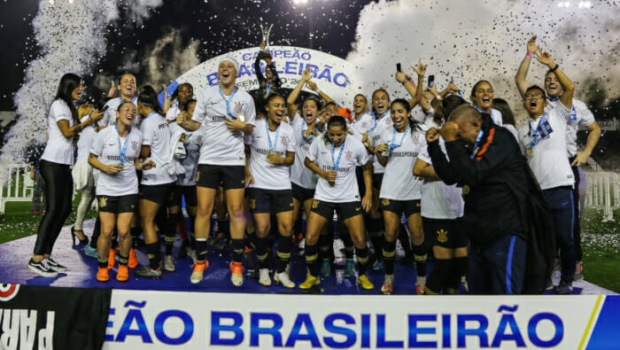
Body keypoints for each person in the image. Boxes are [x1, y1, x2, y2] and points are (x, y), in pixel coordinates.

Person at [515, 35, 601, 280]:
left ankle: (574, 264)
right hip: (542, 169)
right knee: (545, 224)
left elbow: (595, 129)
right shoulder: (539, 103)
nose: (551, 81)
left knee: (570, 224)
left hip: (568, 165)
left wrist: (585, 153)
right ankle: (551, 263)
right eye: (547, 79)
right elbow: (520, 79)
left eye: (555, 79)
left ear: (561, 84)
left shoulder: (572, 107)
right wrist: (530, 54)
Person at [428, 105, 529, 294]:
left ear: (476, 125)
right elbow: (451, 175)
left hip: (506, 231)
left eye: (460, 134)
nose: (459, 140)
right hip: (479, 236)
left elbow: (473, 173)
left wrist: (451, 142)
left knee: (505, 299)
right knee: (477, 298)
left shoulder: (500, 138)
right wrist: (434, 147)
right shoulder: (473, 144)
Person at [177, 57, 256, 286]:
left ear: (236, 73)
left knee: (237, 211)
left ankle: (237, 264)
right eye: (221, 67)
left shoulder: (245, 98)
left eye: (229, 66)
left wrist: (242, 126)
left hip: (233, 160)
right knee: (203, 210)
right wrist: (184, 124)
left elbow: (251, 128)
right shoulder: (208, 95)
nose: (224, 69)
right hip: (209, 159)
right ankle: (200, 261)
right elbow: (196, 125)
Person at [28, 73, 104, 277]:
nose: (81, 89)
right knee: (53, 210)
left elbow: (72, 134)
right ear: (69, 86)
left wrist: (83, 126)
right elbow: (67, 132)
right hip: (52, 163)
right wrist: (88, 121)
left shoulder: (68, 105)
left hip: (63, 164)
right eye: (78, 86)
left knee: (64, 209)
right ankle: (36, 257)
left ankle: (46, 255)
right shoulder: (59, 104)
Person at [517, 48, 576, 294]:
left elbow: (569, 88)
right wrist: (528, 56)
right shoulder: (521, 131)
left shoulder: (557, 115)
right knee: (541, 242)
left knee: (566, 239)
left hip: (560, 187)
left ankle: (567, 279)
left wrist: (552, 65)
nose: (532, 98)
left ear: (544, 100)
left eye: (537, 95)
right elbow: (519, 80)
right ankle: (543, 279)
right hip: (537, 193)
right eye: (528, 96)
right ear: (525, 102)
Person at [301, 115, 374, 290]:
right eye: (331, 135)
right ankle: (312, 276)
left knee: (359, 239)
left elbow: (366, 167)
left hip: (349, 197)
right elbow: (308, 161)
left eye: (339, 135)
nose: (335, 139)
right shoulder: (319, 141)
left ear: (345, 131)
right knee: (310, 237)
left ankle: (362, 275)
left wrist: (369, 193)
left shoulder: (355, 143)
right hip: (324, 196)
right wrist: (323, 173)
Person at [89, 101, 154, 282]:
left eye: (133, 111)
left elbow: (133, 163)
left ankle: (123, 266)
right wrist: (105, 167)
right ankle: (102, 266)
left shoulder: (137, 136)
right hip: (107, 188)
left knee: (124, 231)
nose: (131, 112)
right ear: (117, 114)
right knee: (108, 231)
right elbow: (91, 158)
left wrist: (143, 165)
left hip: (128, 188)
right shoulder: (104, 134)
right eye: (126, 109)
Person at [414, 95, 467, 295]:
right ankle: (426, 309)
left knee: (460, 263)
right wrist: (450, 172)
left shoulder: (466, 138)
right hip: (437, 209)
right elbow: (418, 169)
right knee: (444, 265)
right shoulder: (436, 135)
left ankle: (450, 308)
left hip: (460, 209)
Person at [375, 99, 427, 295]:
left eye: (400, 112)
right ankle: (389, 279)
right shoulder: (386, 133)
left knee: (417, 235)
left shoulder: (419, 132)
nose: (396, 116)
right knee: (390, 233)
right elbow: (384, 160)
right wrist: (380, 152)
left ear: (407, 113)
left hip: (414, 190)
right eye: (393, 112)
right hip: (391, 190)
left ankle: (421, 280)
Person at [245, 93, 297, 288]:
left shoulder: (288, 130)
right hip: (259, 186)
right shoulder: (255, 127)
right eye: (276, 105)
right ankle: (264, 268)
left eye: (283, 105)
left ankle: (281, 272)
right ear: (267, 108)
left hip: (282, 186)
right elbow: (244, 150)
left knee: (286, 229)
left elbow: (291, 158)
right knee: (262, 229)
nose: (281, 108)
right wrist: (247, 171)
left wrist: (281, 160)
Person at [134, 85, 178, 278]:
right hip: (169, 177)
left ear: (141, 104)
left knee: (148, 222)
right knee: (157, 222)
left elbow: (145, 151)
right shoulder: (161, 119)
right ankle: (162, 259)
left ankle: (154, 267)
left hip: (154, 177)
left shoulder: (147, 123)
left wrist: (130, 149)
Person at [26, 141, 46, 216]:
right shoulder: (37, 146)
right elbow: (32, 160)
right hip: (38, 170)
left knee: (47, 191)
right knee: (37, 191)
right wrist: (32, 171)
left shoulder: (51, 145)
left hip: (48, 170)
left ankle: (45, 208)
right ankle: (36, 208)